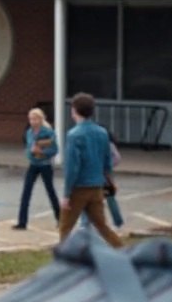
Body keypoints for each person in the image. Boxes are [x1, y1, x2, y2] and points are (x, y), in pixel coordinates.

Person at [58, 92, 123, 248]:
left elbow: (72, 167)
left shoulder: (74, 135)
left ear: (74, 110)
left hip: (79, 188)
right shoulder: (102, 132)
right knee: (102, 226)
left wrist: (66, 194)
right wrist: (109, 181)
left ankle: (63, 261)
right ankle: (124, 252)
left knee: (65, 228)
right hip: (96, 187)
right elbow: (107, 162)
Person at [13, 108, 60, 231]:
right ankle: (22, 222)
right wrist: (30, 153)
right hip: (33, 164)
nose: (33, 121)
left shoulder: (48, 132)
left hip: (45, 165)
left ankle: (60, 219)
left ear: (40, 119)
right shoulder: (29, 132)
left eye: (35, 119)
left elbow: (54, 149)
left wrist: (42, 152)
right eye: (31, 119)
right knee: (26, 192)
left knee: (50, 191)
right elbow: (28, 148)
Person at [81, 129, 124, 230]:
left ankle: (117, 222)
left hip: (104, 176)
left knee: (109, 198)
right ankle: (85, 224)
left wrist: (106, 166)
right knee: (87, 198)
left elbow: (117, 158)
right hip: (92, 175)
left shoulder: (107, 145)